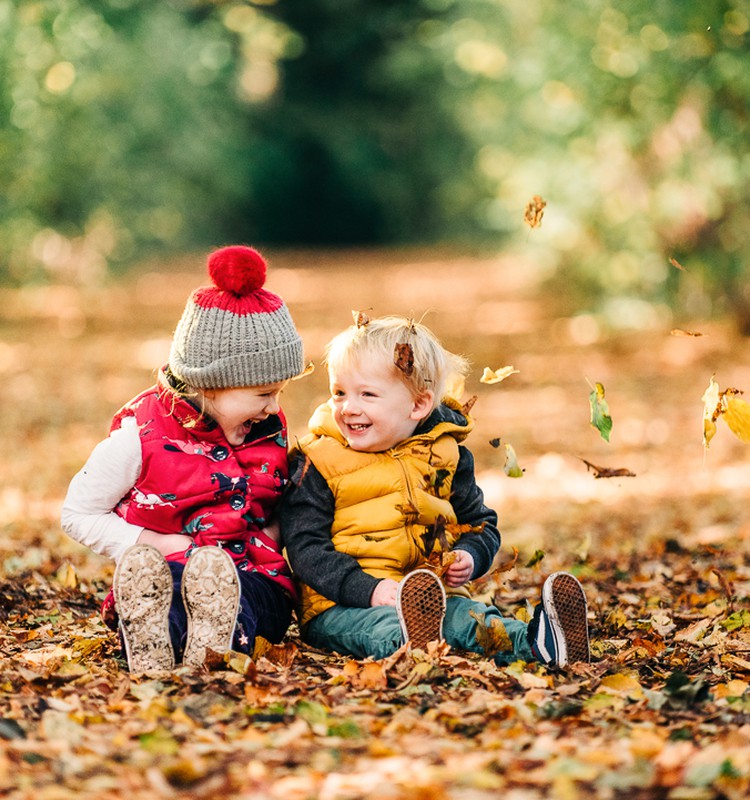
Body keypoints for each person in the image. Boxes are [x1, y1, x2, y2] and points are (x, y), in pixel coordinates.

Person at [280, 315, 590, 667]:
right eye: (339, 392)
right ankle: (414, 641)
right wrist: (367, 589)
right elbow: (305, 548)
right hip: (341, 606)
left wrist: (470, 556)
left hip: (436, 597)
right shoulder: (317, 461)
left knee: (470, 618)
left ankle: (539, 643)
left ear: (418, 405)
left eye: (367, 394)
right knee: (386, 628)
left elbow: (480, 523)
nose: (348, 407)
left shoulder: (447, 456)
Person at [61, 245, 305, 673]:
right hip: (166, 569)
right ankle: (156, 640)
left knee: (244, 602)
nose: (273, 407)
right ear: (211, 385)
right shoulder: (141, 438)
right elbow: (78, 513)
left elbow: (274, 510)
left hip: (253, 576)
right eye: (265, 393)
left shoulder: (268, 430)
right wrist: (155, 544)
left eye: (279, 393)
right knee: (166, 592)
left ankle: (213, 644)